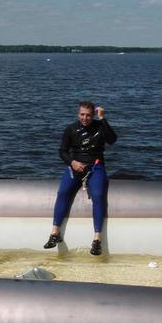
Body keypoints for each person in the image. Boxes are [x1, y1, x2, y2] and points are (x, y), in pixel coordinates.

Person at [44, 101, 117, 255]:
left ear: (93, 115)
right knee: (63, 193)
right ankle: (54, 233)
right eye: (82, 115)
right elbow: (62, 151)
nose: (85, 118)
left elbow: (112, 140)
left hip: (95, 167)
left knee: (98, 195)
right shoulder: (71, 129)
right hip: (75, 167)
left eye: (89, 115)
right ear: (78, 114)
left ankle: (97, 239)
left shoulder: (99, 126)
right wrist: (72, 162)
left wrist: (103, 119)